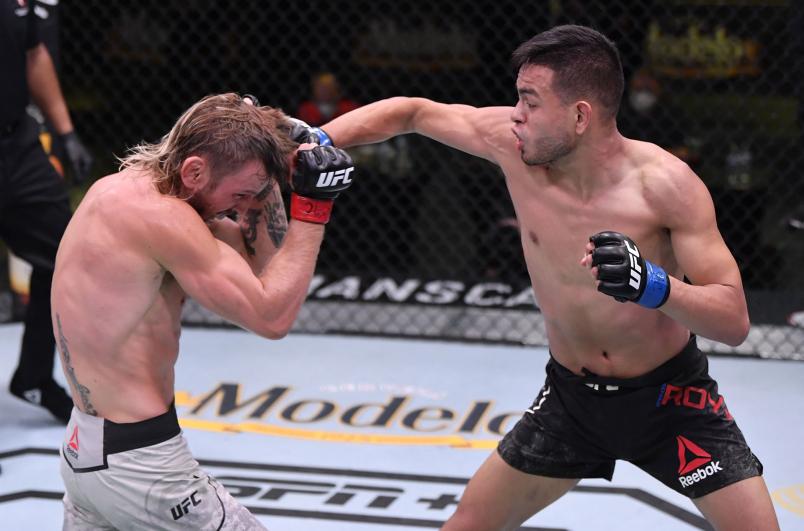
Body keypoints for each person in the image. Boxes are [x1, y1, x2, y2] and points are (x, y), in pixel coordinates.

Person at [317, 24, 779, 530]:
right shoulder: (512, 146)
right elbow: (413, 112)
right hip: (571, 401)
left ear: (580, 116)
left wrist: (653, 285)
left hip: (673, 401)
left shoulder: (665, 186)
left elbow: (733, 320)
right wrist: (317, 137)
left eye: (530, 101)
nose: (516, 114)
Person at [52, 92, 355, 529]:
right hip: (143, 467)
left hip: (87, 451)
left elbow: (264, 270)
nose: (239, 206)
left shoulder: (123, 190)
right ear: (195, 171)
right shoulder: (166, 221)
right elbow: (272, 316)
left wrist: (268, 157)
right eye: (239, 194)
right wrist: (313, 206)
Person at [1, 0, 93, 423]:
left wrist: (65, 131)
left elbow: (33, 53)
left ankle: (35, 375)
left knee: (65, 253)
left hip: (16, 145)